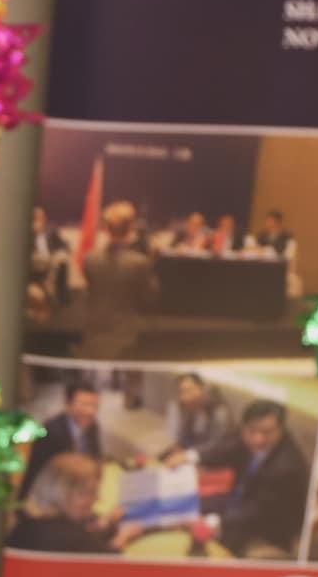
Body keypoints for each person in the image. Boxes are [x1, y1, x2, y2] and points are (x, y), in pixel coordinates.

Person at [197, 399, 311, 558]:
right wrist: (192, 457)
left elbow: (258, 511)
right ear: (243, 428)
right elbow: (224, 449)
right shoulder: (246, 438)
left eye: (268, 432)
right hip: (239, 500)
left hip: (267, 527)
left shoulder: (286, 468)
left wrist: (216, 521)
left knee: (206, 547)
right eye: (252, 431)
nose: (258, 439)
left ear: (281, 430)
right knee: (191, 505)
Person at [7, 453, 140, 554]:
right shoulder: (70, 536)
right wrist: (123, 537)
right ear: (62, 494)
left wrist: (108, 522)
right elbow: (108, 559)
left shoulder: (26, 523)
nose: (97, 499)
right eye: (89, 493)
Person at [77, 202, 159, 360]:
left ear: (106, 228)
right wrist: (151, 263)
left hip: (93, 335)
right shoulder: (140, 263)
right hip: (127, 340)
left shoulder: (89, 260)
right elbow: (150, 298)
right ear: (131, 228)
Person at [22, 376, 104, 489]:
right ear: (68, 404)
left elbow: (96, 458)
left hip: (79, 488)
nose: (90, 411)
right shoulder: (51, 432)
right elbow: (39, 477)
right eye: (84, 404)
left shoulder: (92, 427)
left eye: (94, 405)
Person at [160, 371, 230, 463]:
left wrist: (186, 455)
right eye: (181, 392)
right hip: (191, 452)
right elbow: (186, 436)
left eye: (189, 391)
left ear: (201, 389)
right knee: (159, 460)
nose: (184, 397)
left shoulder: (219, 412)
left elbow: (216, 446)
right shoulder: (190, 407)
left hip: (211, 459)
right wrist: (179, 446)